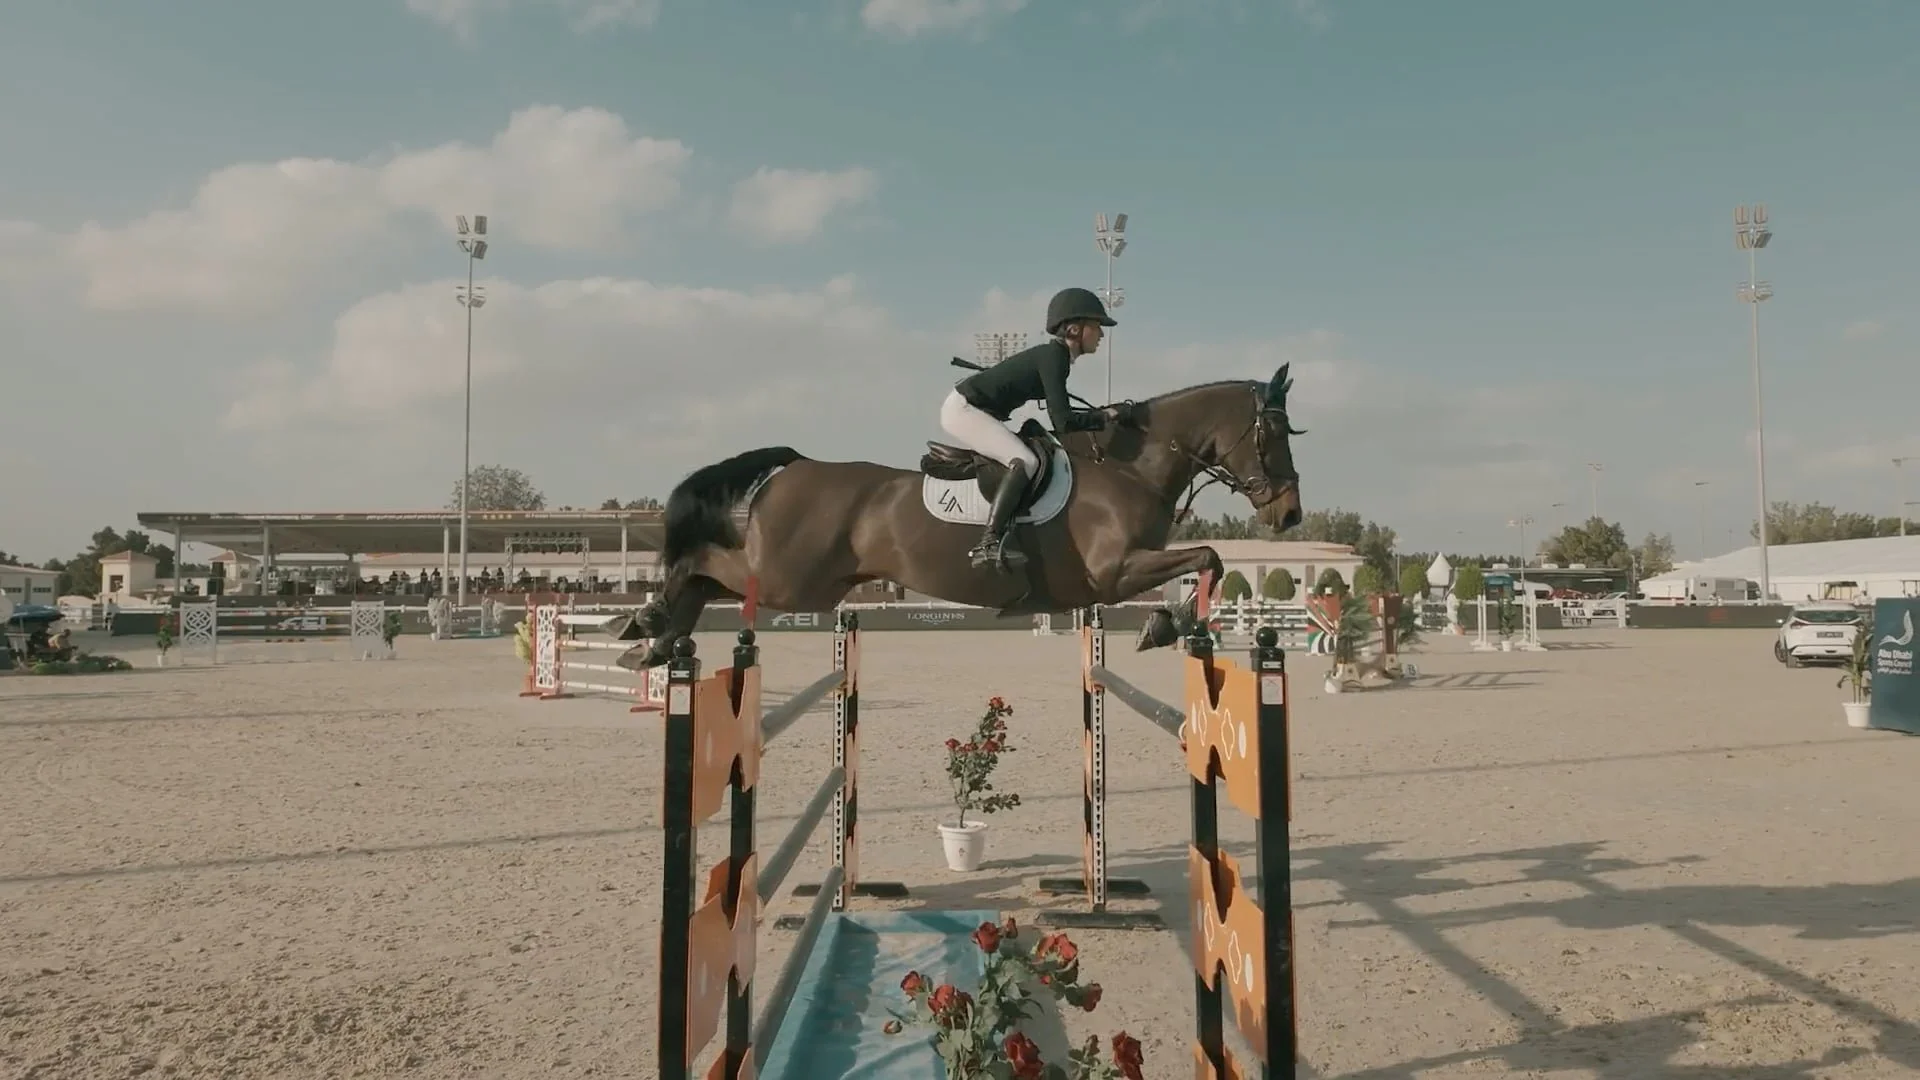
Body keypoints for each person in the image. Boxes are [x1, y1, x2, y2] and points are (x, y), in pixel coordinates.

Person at [941, 287, 1121, 570]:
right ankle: (988, 542)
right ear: (1074, 329)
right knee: (1025, 460)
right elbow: (1063, 422)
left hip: (973, 408)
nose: (1101, 334)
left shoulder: (1056, 357)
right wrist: (1104, 417)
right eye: (1096, 326)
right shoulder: (1054, 357)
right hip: (963, 410)